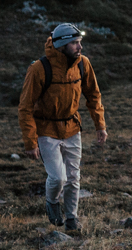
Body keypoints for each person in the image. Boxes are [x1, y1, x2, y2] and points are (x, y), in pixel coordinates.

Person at [17, 22, 108, 234]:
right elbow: (25, 107)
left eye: (80, 42)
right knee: (59, 178)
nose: (80, 47)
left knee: (73, 178)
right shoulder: (39, 69)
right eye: (75, 43)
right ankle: (51, 202)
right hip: (46, 130)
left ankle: (71, 219)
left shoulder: (83, 64)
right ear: (62, 45)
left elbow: (94, 95)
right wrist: (30, 142)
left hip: (72, 127)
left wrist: (100, 125)